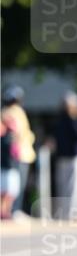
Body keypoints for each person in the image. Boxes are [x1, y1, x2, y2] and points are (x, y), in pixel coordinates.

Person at [53, 92, 77, 220]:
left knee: (65, 187)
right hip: (74, 157)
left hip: (62, 157)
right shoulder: (73, 121)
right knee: (75, 187)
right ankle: (73, 214)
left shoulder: (59, 120)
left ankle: (66, 214)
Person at [2, 86, 36, 217]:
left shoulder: (6, 111)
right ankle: (14, 210)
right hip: (19, 153)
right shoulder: (15, 112)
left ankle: (13, 210)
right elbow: (20, 133)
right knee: (15, 185)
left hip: (17, 153)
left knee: (13, 185)